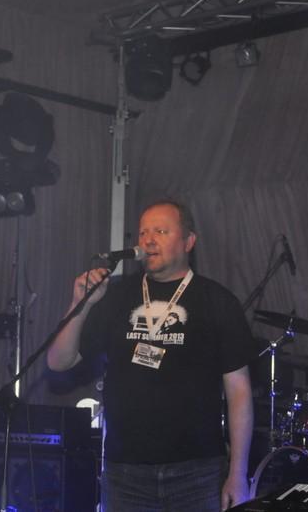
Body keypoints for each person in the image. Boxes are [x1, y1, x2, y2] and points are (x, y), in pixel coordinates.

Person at [47, 200, 258, 511]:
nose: (148, 240)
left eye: (161, 231)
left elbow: (239, 391)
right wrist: (81, 304)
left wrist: (238, 474)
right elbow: (58, 361)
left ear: (188, 241)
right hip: (125, 472)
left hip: (196, 472)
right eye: (143, 232)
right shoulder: (116, 296)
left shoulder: (217, 301)